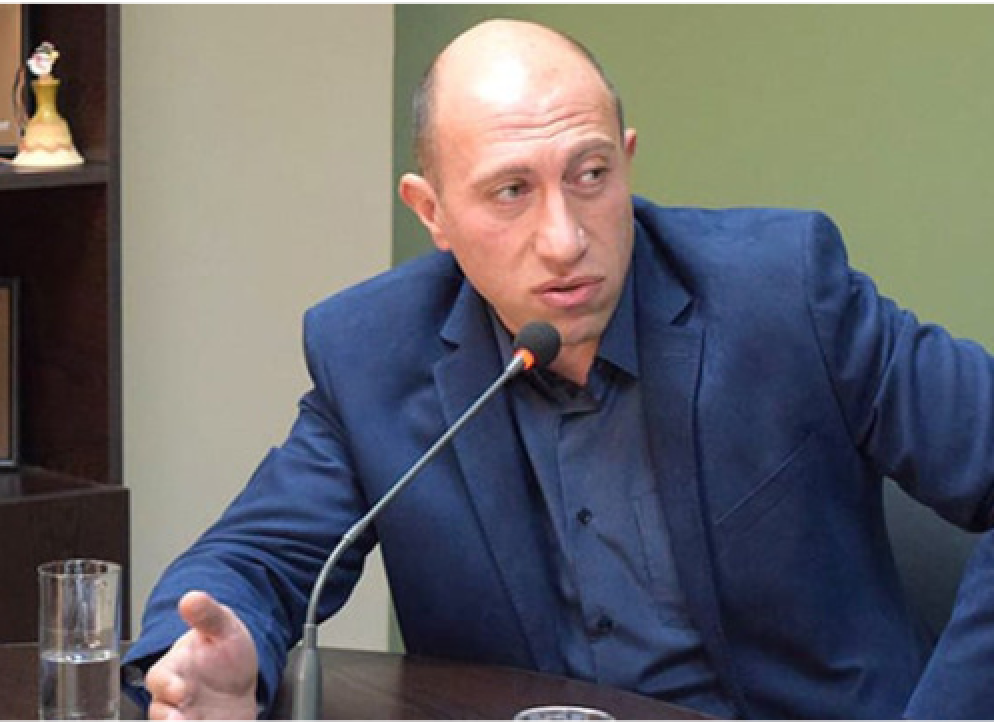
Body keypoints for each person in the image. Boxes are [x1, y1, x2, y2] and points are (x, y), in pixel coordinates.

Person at [124, 18, 994, 720]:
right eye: (511, 191)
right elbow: (256, 557)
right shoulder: (373, 351)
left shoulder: (783, 290)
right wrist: (212, 652)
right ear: (431, 211)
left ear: (627, 159)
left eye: (590, 175)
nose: (565, 238)